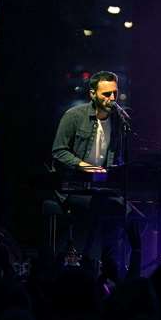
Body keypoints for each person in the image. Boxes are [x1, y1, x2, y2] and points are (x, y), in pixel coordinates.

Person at [50, 70, 128, 269]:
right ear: (92, 94)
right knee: (98, 210)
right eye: (106, 94)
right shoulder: (74, 116)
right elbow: (58, 152)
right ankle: (88, 263)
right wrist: (87, 167)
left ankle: (108, 264)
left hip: (100, 187)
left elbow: (117, 157)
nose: (111, 98)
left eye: (114, 93)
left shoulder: (118, 120)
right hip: (73, 185)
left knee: (132, 215)